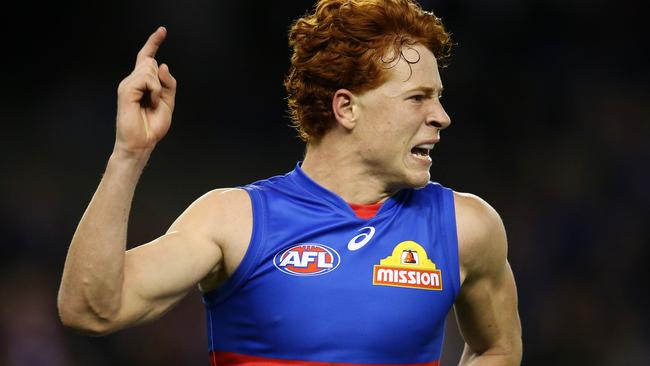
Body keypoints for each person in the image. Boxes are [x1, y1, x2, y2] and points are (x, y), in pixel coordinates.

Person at [58, 0, 522, 365]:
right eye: (418, 97)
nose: (441, 116)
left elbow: (496, 348)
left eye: (438, 97)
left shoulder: (466, 227)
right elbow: (90, 309)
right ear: (346, 108)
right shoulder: (234, 220)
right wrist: (128, 154)